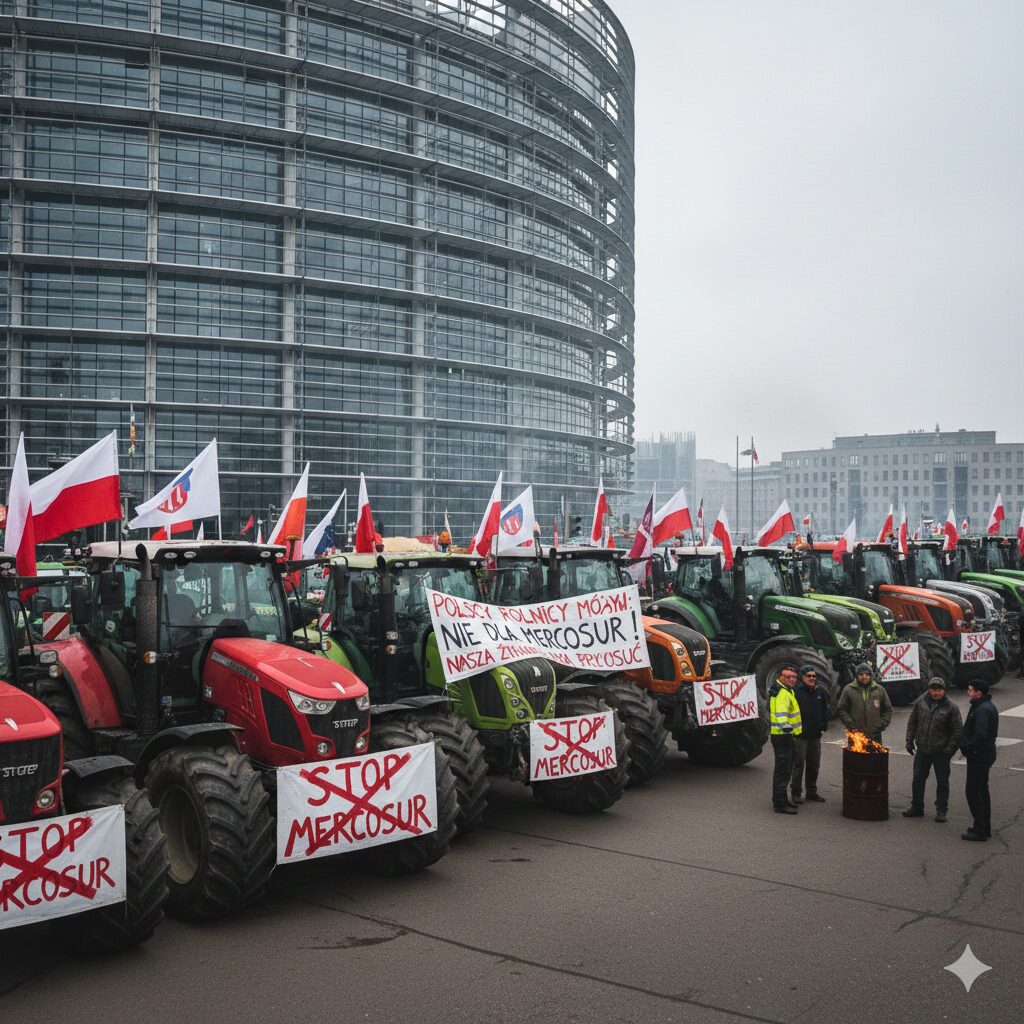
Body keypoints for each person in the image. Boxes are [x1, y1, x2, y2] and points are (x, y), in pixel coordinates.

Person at [902, 677, 962, 823]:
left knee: (942, 782)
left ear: (944, 691)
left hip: (941, 752)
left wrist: (949, 750)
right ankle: (917, 807)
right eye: (934, 689)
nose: (936, 693)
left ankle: (941, 811)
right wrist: (909, 740)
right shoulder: (920, 703)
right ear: (929, 689)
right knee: (918, 779)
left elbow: (957, 731)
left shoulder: (952, 708)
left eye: (939, 690)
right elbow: (912, 722)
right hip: (922, 750)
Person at [960, 680, 999, 841]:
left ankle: (980, 830)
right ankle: (984, 826)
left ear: (978, 693)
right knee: (982, 790)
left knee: (973, 791)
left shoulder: (982, 710)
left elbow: (980, 735)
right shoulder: (982, 706)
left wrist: (966, 746)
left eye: (970, 690)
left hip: (979, 755)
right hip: (983, 754)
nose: (968, 693)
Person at [791, 664, 830, 803]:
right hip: (800, 736)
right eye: (809, 676)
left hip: (815, 735)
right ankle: (796, 792)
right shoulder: (795, 693)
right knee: (799, 765)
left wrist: (824, 725)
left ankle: (811, 792)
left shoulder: (821, 692)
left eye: (814, 676)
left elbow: (825, 710)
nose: (812, 678)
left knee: (814, 765)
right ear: (802, 678)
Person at [769, 666, 802, 814]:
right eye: (788, 677)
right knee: (783, 771)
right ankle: (780, 804)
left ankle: (782, 800)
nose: (792, 680)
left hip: (783, 735)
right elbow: (781, 714)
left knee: (784, 770)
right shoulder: (782, 692)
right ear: (781, 677)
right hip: (783, 735)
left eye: (794, 677)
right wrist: (787, 728)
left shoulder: (786, 690)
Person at [836, 662, 892, 742]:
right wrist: (851, 725)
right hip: (856, 737)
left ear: (870, 676)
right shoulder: (848, 690)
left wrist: (881, 724)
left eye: (867, 674)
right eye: (861, 674)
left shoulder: (879, 690)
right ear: (857, 676)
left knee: (876, 754)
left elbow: (888, 710)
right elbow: (841, 709)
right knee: (855, 755)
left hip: (875, 736)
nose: (864, 677)